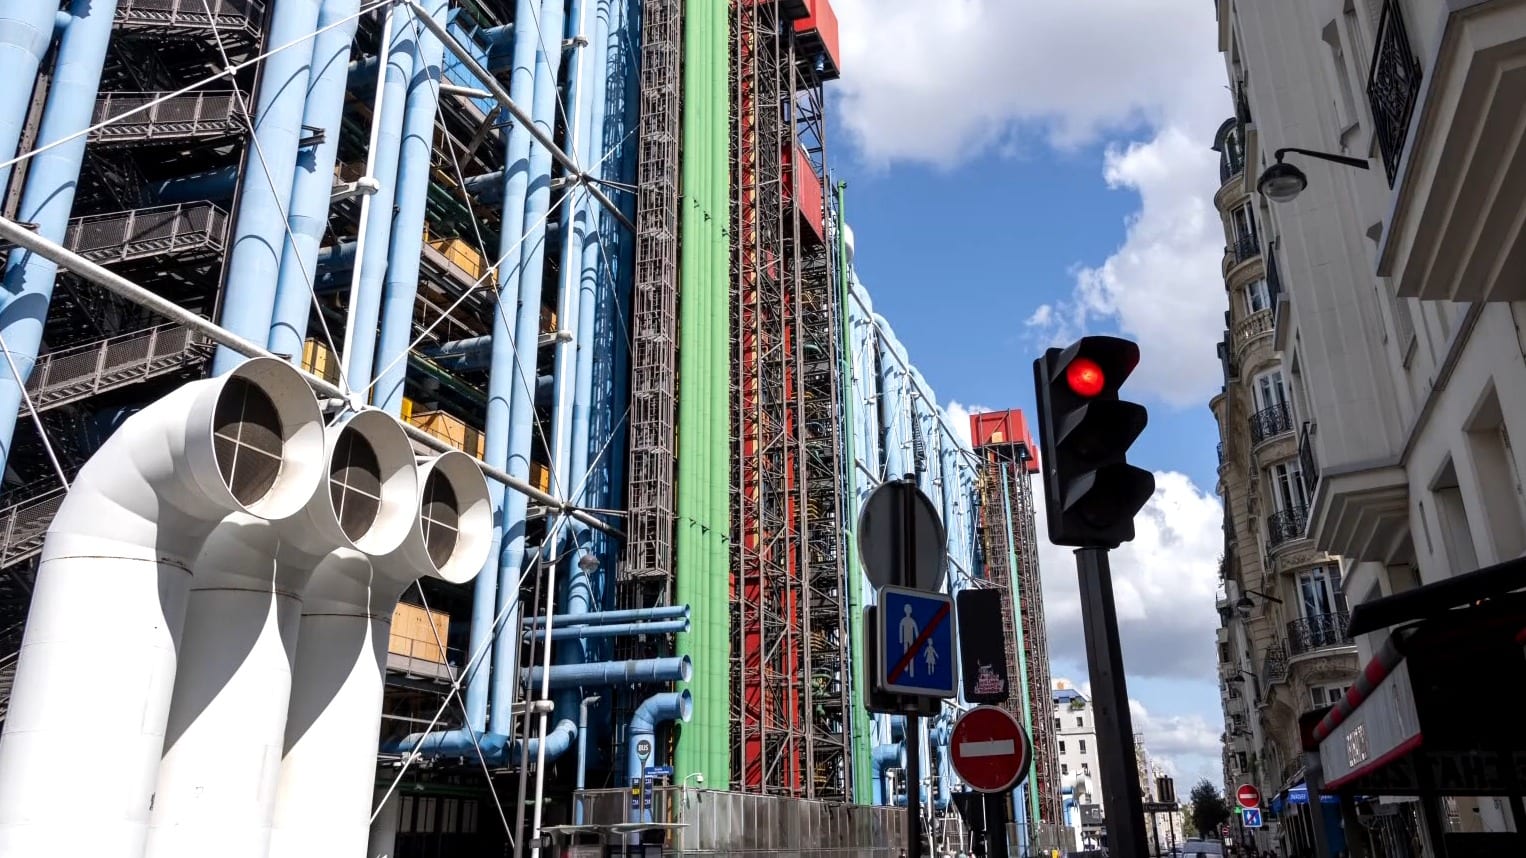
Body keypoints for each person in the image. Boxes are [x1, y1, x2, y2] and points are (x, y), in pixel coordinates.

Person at [899, 604, 919, 675]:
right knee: (906, 653)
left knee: (911, 653)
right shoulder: (903, 620)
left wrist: (917, 638)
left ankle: (911, 670)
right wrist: (901, 639)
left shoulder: (912, 620)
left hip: (911, 639)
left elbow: (915, 629)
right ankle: (906, 667)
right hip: (905, 639)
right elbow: (901, 629)